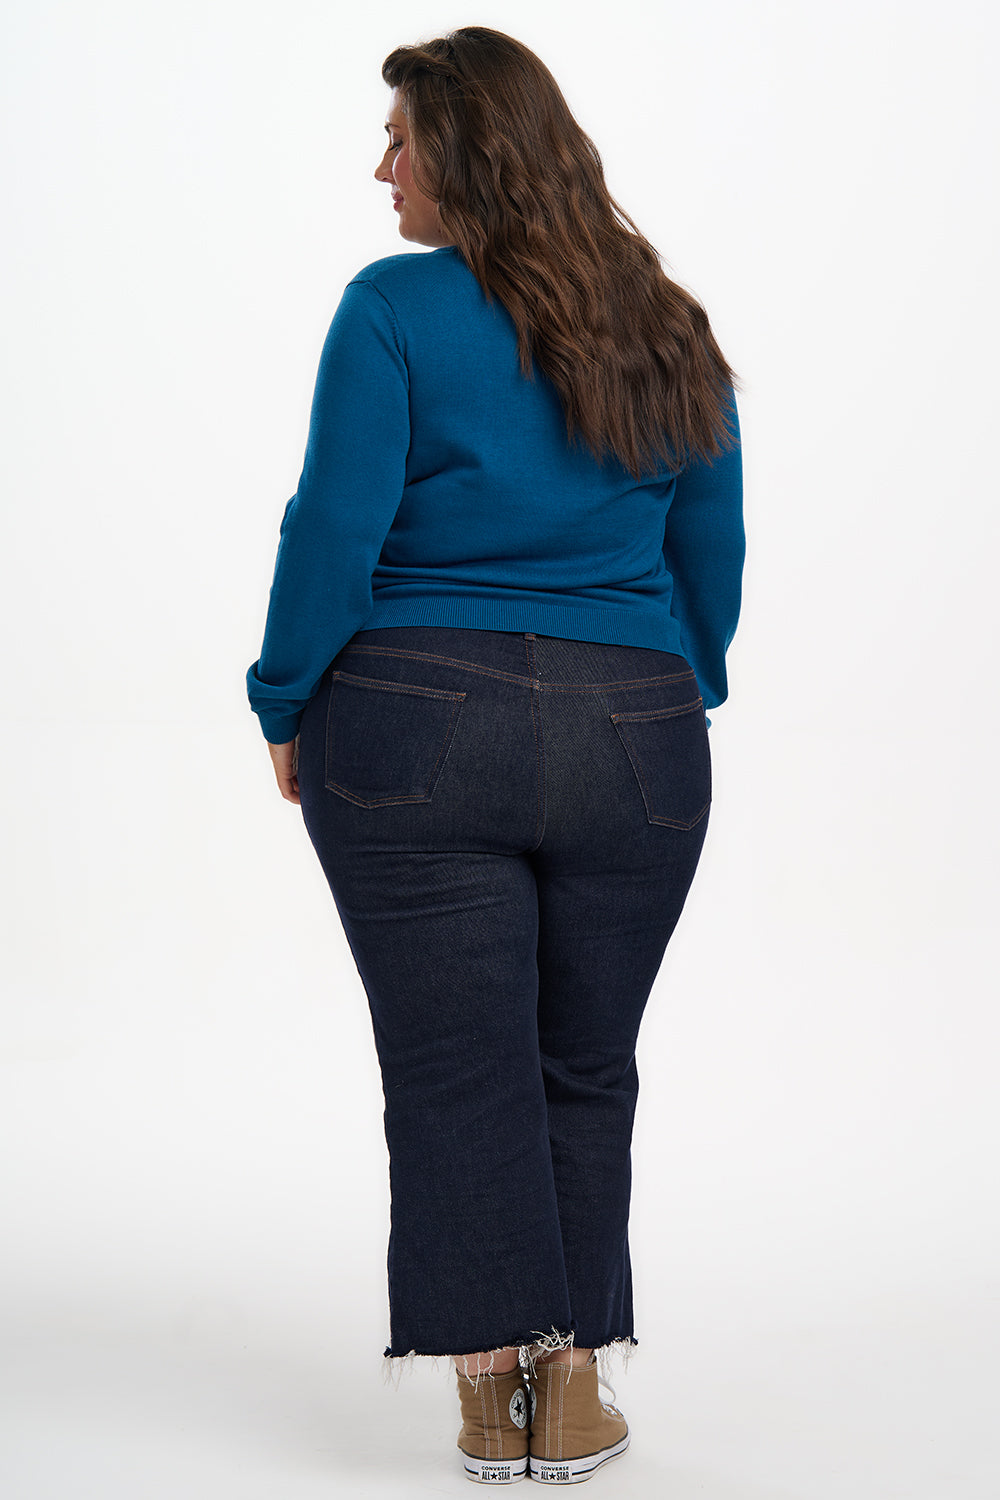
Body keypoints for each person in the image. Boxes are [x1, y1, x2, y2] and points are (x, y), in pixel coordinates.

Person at [247, 26, 744, 1486]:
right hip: (639, 736)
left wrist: (285, 700)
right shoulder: (670, 323)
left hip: (411, 723)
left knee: (460, 1070)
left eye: (400, 138)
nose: (381, 166)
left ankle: (491, 1404)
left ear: (462, 156)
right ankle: (574, 1393)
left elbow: (332, 531)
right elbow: (706, 562)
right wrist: (660, 692)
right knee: (584, 1065)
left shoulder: (395, 308)